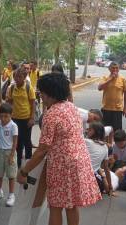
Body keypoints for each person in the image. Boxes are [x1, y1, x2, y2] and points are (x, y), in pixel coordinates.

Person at [17, 73, 101, 225]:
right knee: (72, 205)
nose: (40, 96)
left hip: (62, 166)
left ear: (50, 93)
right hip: (79, 162)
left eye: (41, 92)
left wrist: (24, 171)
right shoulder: (72, 107)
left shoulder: (51, 114)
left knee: (56, 206)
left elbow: (42, 149)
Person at [6, 67, 36, 168]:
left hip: (26, 119)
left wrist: (32, 118)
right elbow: (9, 102)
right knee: (17, 141)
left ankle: (28, 164)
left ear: (24, 77)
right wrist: (8, 117)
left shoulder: (28, 88)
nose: (17, 79)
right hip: (14, 119)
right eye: (15, 77)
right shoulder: (11, 88)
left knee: (27, 141)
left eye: (20, 77)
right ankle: (17, 163)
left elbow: (33, 104)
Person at [0, 103, 18, 207]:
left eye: (6, 116)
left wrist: (12, 155)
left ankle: (11, 195)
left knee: (11, 175)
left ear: (11, 115)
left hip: (9, 152)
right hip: (0, 151)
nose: (3, 119)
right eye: (1, 116)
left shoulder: (13, 126)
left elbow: (15, 142)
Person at [98, 62, 126, 131]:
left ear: (119, 69)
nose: (115, 70)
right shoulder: (105, 78)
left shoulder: (123, 79)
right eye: (113, 68)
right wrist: (110, 79)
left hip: (118, 110)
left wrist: (125, 108)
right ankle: (106, 142)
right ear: (109, 69)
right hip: (106, 109)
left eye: (116, 68)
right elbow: (99, 88)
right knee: (105, 130)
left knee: (117, 131)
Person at [85, 122, 113, 195]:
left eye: (90, 130)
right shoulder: (105, 147)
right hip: (96, 184)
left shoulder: (86, 142)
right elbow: (106, 169)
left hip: (84, 179)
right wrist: (110, 187)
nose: (87, 131)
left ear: (96, 132)